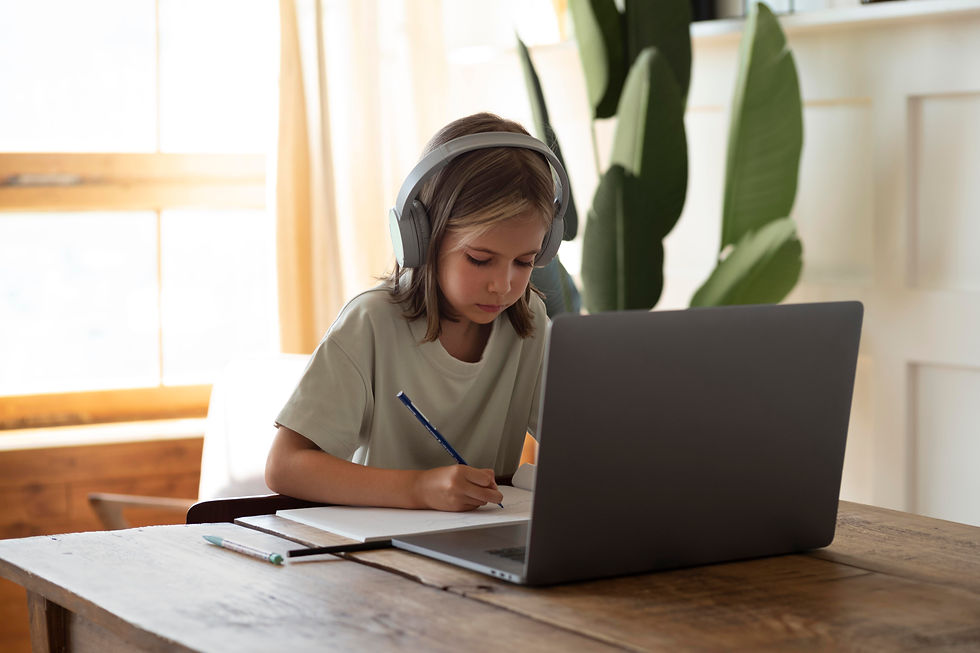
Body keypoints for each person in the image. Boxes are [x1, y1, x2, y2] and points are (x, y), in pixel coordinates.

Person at [265, 112, 568, 511]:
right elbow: (285, 466)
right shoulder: (371, 323)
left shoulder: (529, 322)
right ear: (420, 237)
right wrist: (419, 489)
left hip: (483, 538)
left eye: (525, 262)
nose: (504, 284)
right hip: (381, 549)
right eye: (480, 259)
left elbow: (581, 444)